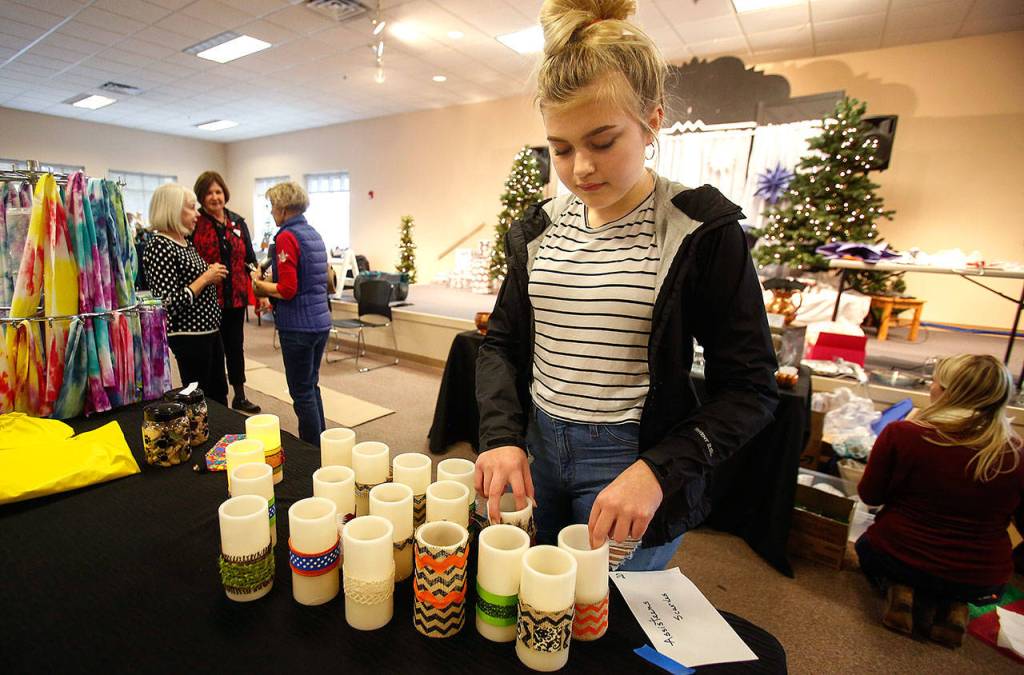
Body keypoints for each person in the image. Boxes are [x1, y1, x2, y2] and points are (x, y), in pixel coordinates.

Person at [475, 0, 778, 572]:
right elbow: (502, 346)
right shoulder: (539, 229)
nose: (581, 168)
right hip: (537, 445)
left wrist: (659, 471)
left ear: (653, 120)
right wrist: (499, 437)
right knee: (528, 595)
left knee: (606, 623)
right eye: (561, 149)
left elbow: (750, 388)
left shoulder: (700, 232)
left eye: (603, 140)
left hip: (630, 458)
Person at [856, 354, 1024, 647]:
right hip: (982, 577)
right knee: (958, 581)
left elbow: (870, 495)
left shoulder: (904, 434)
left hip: (899, 554)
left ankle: (902, 589)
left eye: (936, 381)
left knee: (867, 547)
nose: (931, 387)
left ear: (948, 393)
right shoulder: (1016, 454)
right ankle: (956, 607)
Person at [251, 182, 332, 446]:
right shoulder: (313, 233)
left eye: (273, 206)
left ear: (284, 208)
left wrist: (259, 286)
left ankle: (311, 450)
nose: (271, 212)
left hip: (299, 327)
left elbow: (287, 290)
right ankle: (322, 444)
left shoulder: (287, 236)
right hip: (320, 322)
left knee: (301, 392)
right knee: (312, 386)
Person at [143, 183, 228, 404]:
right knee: (202, 397)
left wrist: (209, 275)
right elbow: (166, 302)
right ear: (172, 210)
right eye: (191, 208)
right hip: (190, 337)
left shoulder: (185, 243)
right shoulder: (159, 245)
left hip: (210, 332)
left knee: (219, 392)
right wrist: (206, 278)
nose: (197, 214)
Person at [191, 171, 261, 414]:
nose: (214, 197)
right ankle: (216, 397)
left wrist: (255, 276)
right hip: (208, 299)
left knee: (235, 346)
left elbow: (250, 258)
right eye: (209, 192)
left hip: (236, 297)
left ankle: (239, 395)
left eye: (218, 191)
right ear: (201, 196)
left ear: (225, 194)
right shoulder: (195, 223)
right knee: (213, 349)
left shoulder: (237, 221)